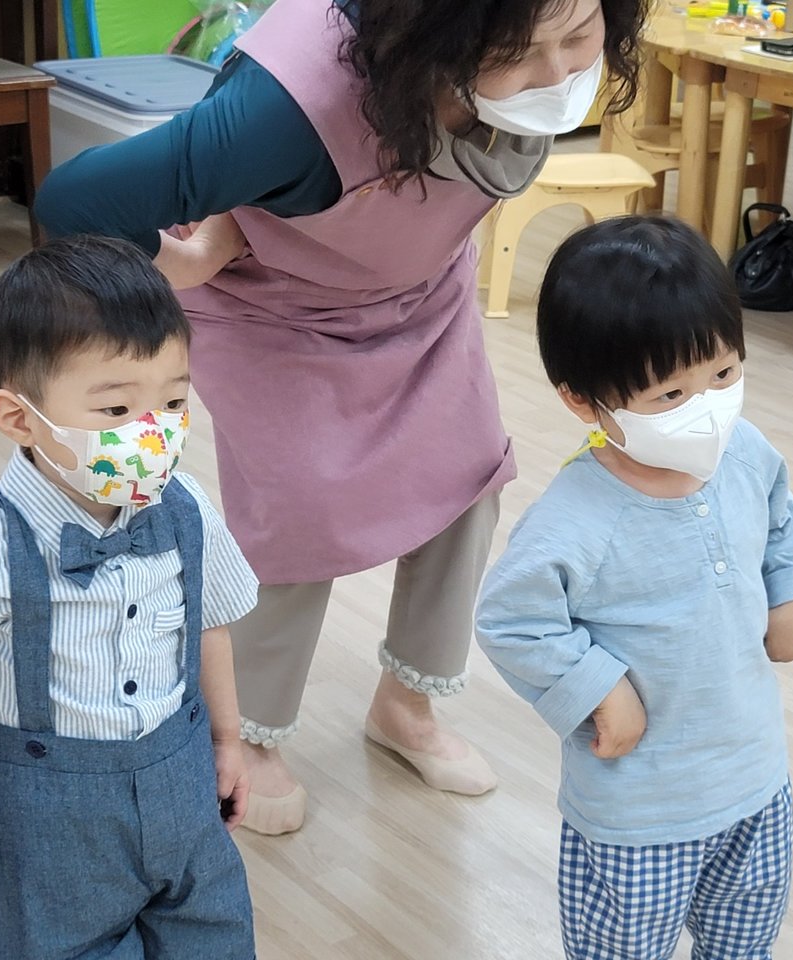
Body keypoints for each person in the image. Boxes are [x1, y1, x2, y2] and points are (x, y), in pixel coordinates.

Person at [34, 0, 650, 836]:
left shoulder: (534, 68)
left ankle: (407, 707)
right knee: (301, 514)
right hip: (277, 312)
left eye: (578, 37)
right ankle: (246, 737)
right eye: (518, 52)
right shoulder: (288, 111)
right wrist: (190, 259)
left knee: (467, 483)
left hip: (418, 296)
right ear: (441, 37)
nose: (559, 71)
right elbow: (75, 197)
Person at [0, 236, 258, 959]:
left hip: (184, 800)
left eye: (173, 402)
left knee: (215, 937)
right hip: (50, 840)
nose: (153, 433)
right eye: (117, 407)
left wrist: (227, 740)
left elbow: (209, 625)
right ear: (19, 418)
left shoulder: (186, 511)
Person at [475, 216, 793, 960]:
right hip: (638, 812)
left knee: (744, 945)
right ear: (583, 401)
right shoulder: (577, 520)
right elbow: (511, 619)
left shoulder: (745, 452)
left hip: (755, 779)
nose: (709, 406)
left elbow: (782, 521)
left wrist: (792, 590)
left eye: (724, 374)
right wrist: (602, 690)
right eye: (671, 393)